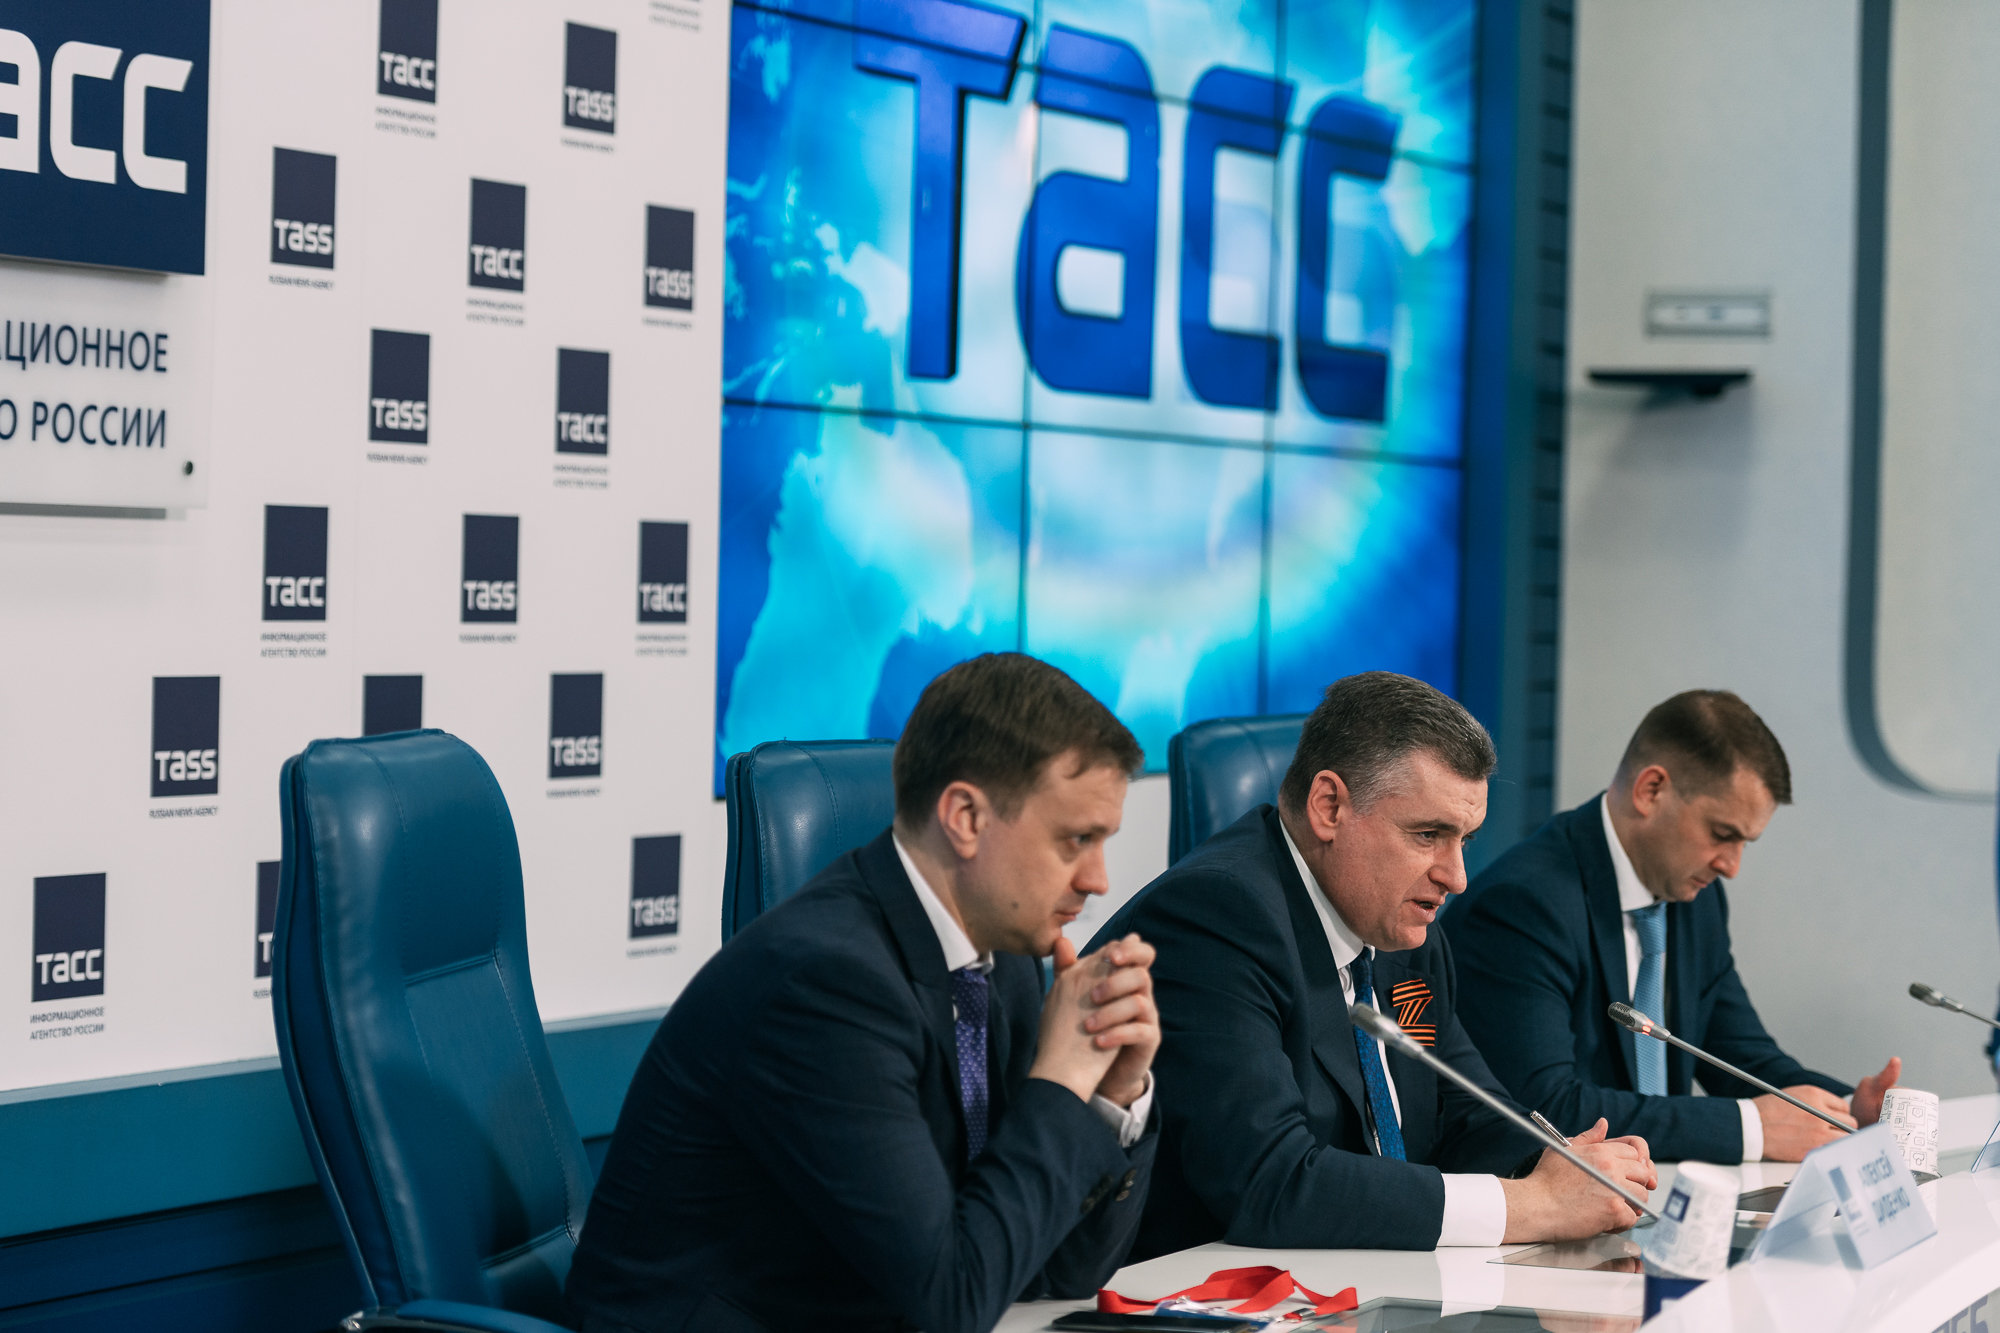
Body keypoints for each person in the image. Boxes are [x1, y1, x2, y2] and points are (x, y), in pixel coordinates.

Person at [566, 654, 1162, 1333]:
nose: (1098, 879)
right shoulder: (824, 984)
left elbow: (1058, 1271)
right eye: (1076, 840)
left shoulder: (1007, 959)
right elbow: (951, 1300)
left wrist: (1110, 1096)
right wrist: (1059, 1082)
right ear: (965, 817)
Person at [1089, 672, 1656, 1261]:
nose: (1456, 877)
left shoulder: (1403, 931)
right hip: (1196, 1289)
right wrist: (1533, 1205)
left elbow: (1464, 1109)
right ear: (1329, 806)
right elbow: (1271, 1181)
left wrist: (1560, 1165)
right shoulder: (1217, 917)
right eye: (1428, 834)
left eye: (1464, 840)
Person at [1445, 690, 1901, 1164]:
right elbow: (1546, 1108)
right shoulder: (1523, 903)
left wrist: (1847, 1109)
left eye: (1745, 843)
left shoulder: (1695, 898)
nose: (1731, 867)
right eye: (1722, 834)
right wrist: (1749, 1128)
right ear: (1651, 791)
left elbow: (1743, 1060)